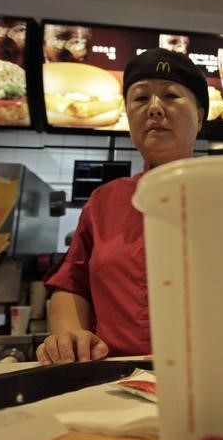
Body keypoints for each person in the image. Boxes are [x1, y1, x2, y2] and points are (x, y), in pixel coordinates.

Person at [36, 48, 208, 364]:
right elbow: (73, 283)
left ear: (199, 116)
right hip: (114, 384)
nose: (155, 108)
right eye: (141, 99)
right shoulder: (104, 202)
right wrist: (69, 337)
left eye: (170, 95)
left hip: (211, 380)